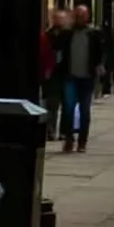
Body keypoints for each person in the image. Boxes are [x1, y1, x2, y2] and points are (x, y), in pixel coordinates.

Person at [54, 4, 105, 153]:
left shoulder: (94, 34)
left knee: (84, 110)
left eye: (82, 15)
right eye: (77, 15)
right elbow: (58, 51)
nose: (80, 18)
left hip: (87, 77)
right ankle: (69, 139)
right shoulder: (67, 34)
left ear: (87, 17)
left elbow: (100, 52)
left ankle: (82, 141)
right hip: (70, 76)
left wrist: (100, 66)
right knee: (68, 108)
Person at [39, 7, 68, 138]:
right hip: (53, 74)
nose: (59, 21)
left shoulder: (69, 35)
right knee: (52, 103)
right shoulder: (48, 35)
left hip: (66, 73)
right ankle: (51, 129)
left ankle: (64, 131)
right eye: (56, 18)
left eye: (61, 19)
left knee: (67, 104)